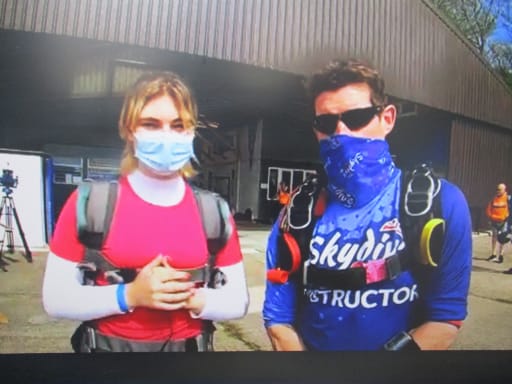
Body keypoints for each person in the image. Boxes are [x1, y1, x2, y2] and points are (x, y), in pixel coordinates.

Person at [262, 59, 472, 351]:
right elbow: (278, 321)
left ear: (387, 118)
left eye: (357, 117)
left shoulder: (440, 203)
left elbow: (446, 318)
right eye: (325, 122)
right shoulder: (297, 214)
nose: (341, 132)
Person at [42, 71, 249, 352]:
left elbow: (238, 301)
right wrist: (130, 295)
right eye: (151, 124)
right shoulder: (91, 203)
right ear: (128, 130)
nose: (167, 136)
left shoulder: (214, 211)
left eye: (178, 126)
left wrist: (191, 298)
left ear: (191, 132)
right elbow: (55, 299)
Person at [486, 183, 510, 263]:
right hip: (494, 221)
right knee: (494, 237)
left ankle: (501, 255)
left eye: (499, 189)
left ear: (504, 190)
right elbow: (489, 208)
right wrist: (490, 216)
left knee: (502, 238)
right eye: (497, 189)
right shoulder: (494, 199)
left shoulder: (507, 199)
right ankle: (493, 254)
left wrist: (507, 218)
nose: (498, 191)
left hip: (503, 221)